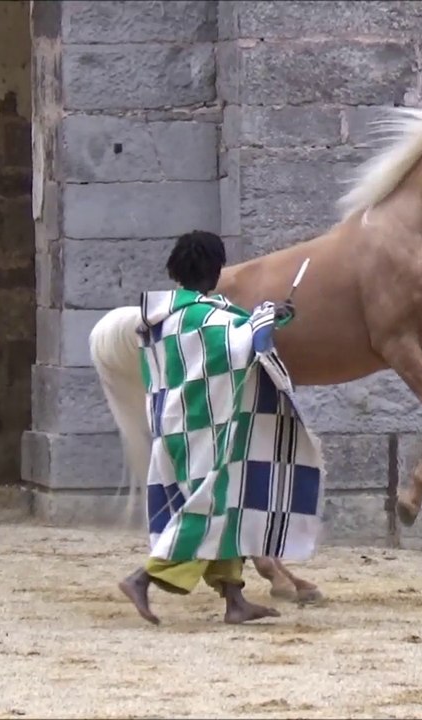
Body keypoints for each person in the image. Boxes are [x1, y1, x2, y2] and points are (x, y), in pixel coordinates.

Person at [116, 229, 319, 626]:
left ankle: (234, 600)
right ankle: (144, 577)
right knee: (208, 506)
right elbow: (243, 340)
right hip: (204, 426)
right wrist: (270, 316)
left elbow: (241, 328)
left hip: (175, 423)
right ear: (217, 269)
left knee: (227, 502)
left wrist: (271, 316)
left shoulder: (164, 318)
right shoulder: (211, 319)